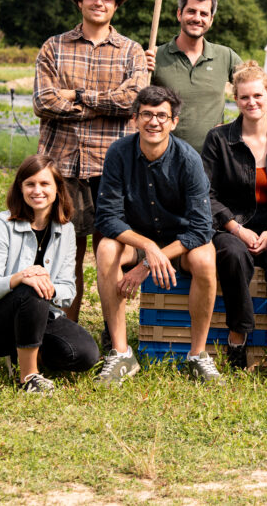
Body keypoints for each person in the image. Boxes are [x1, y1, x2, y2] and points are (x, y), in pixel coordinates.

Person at [33, 0, 148, 323]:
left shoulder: (131, 51)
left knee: (109, 254)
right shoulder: (54, 46)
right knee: (64, 254)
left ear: (116, 5)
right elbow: (43, 101)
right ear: (80, 1)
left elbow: (132, 101)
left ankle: (112, 338)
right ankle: (66, 331)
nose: (100, 2)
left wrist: (78, 97)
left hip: (111, 169)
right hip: (60, 167)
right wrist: (102, 107)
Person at [93, 86, 221, 385]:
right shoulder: (118, 153)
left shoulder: (188, 159)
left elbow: (202, 228)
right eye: (147, 114)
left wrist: (147, 265)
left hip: (179, 244)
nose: (154, 122)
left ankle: (197, 356)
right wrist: (148, 247)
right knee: (106, 249)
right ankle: (121, 353)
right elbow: (107, 217)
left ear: (174, 122)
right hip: (137, 241)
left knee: (205, 258)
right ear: (134, 119)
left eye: (162, 115)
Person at [201, 61, 267, 380]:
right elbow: (207, 192)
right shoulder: (219, 139)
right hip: (230, 225)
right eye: (244, 97)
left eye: (258, 96)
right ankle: (239, 337)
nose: (252, 103)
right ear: (236, 99)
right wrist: (236, 228)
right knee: (233, 255)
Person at [0, 155, 100, 393]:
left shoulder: (66, 229)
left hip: (41, 314)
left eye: (44, 184)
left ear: (58, 189)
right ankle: (29, 377)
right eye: (30, 184)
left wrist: (50, 285)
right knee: (31, 286)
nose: (37, 190)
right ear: (20, 188)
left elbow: (68, 290)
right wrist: (20, 277)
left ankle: (28, 350)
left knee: (85, 354)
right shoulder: (2, 224)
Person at [151, 0, 242, 154]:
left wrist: (235, 128)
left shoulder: (226, 56)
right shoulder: (156, 57)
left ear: (211, 20)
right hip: (165, 158)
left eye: (204, 14)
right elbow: (136, 107)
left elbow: (256, 91)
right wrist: (140, 67)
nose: (197, 18)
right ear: (180, 14)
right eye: (191, 11)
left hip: (212, 161)